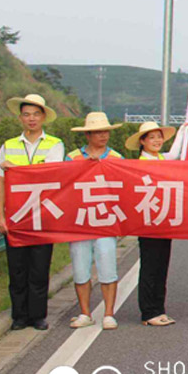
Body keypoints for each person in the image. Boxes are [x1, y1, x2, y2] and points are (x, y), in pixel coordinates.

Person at [0, 94, 64, 331]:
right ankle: (19, 316)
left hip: (42, 217)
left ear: (43, 117)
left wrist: (15, 168)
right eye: (26, 114)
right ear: (20, 118)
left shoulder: (54, 144)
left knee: (39, 269)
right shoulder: (9, 145)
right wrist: (1, 216)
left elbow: (47, 175)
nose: (31, 119)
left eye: (36, 114)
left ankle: (38, 315)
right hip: (15, 217)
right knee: (17, 270)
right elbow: (1, 182)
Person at [67, 112, 123, 330]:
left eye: (105, 132)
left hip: (106, 221)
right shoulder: (72, 158)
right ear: (88, 135)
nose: (103, 136)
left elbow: (124, 190)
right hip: (79, 222)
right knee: (80, 268)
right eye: (98, 132)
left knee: (108, 266)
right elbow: (63, 185)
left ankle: (108, 313)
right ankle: (85, 313)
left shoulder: (116, 158)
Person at [126, 120, 180, 326]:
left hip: (164, 220)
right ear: (142, 141)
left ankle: (159, 308)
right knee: (150, 266)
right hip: (148, 221)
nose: (157, 141)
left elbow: (176, 152)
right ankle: (148, 312)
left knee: (162, 266)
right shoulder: (139, 164)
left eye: (159, 137)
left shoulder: (163, 159)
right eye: (152, 137)